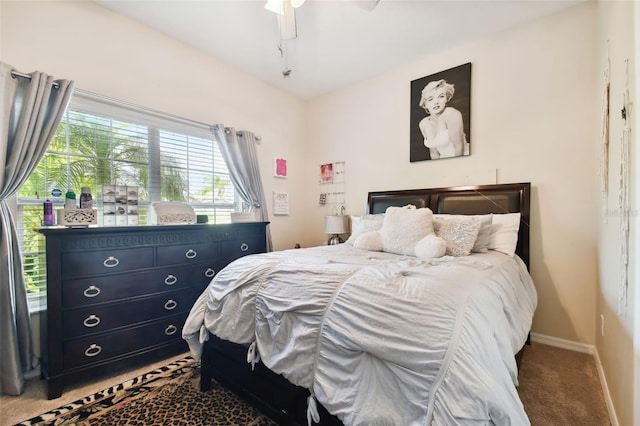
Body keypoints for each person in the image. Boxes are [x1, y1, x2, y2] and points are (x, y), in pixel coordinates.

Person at [418, 79, 469, 159]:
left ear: (446, 99)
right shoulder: (423, 123)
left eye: (441, 96)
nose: (436, 102)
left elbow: (459, 148)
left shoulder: (452, 114)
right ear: (425, 104)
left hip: (462, 160)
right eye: (430, 99)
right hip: (443, 164)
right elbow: (434, 153)